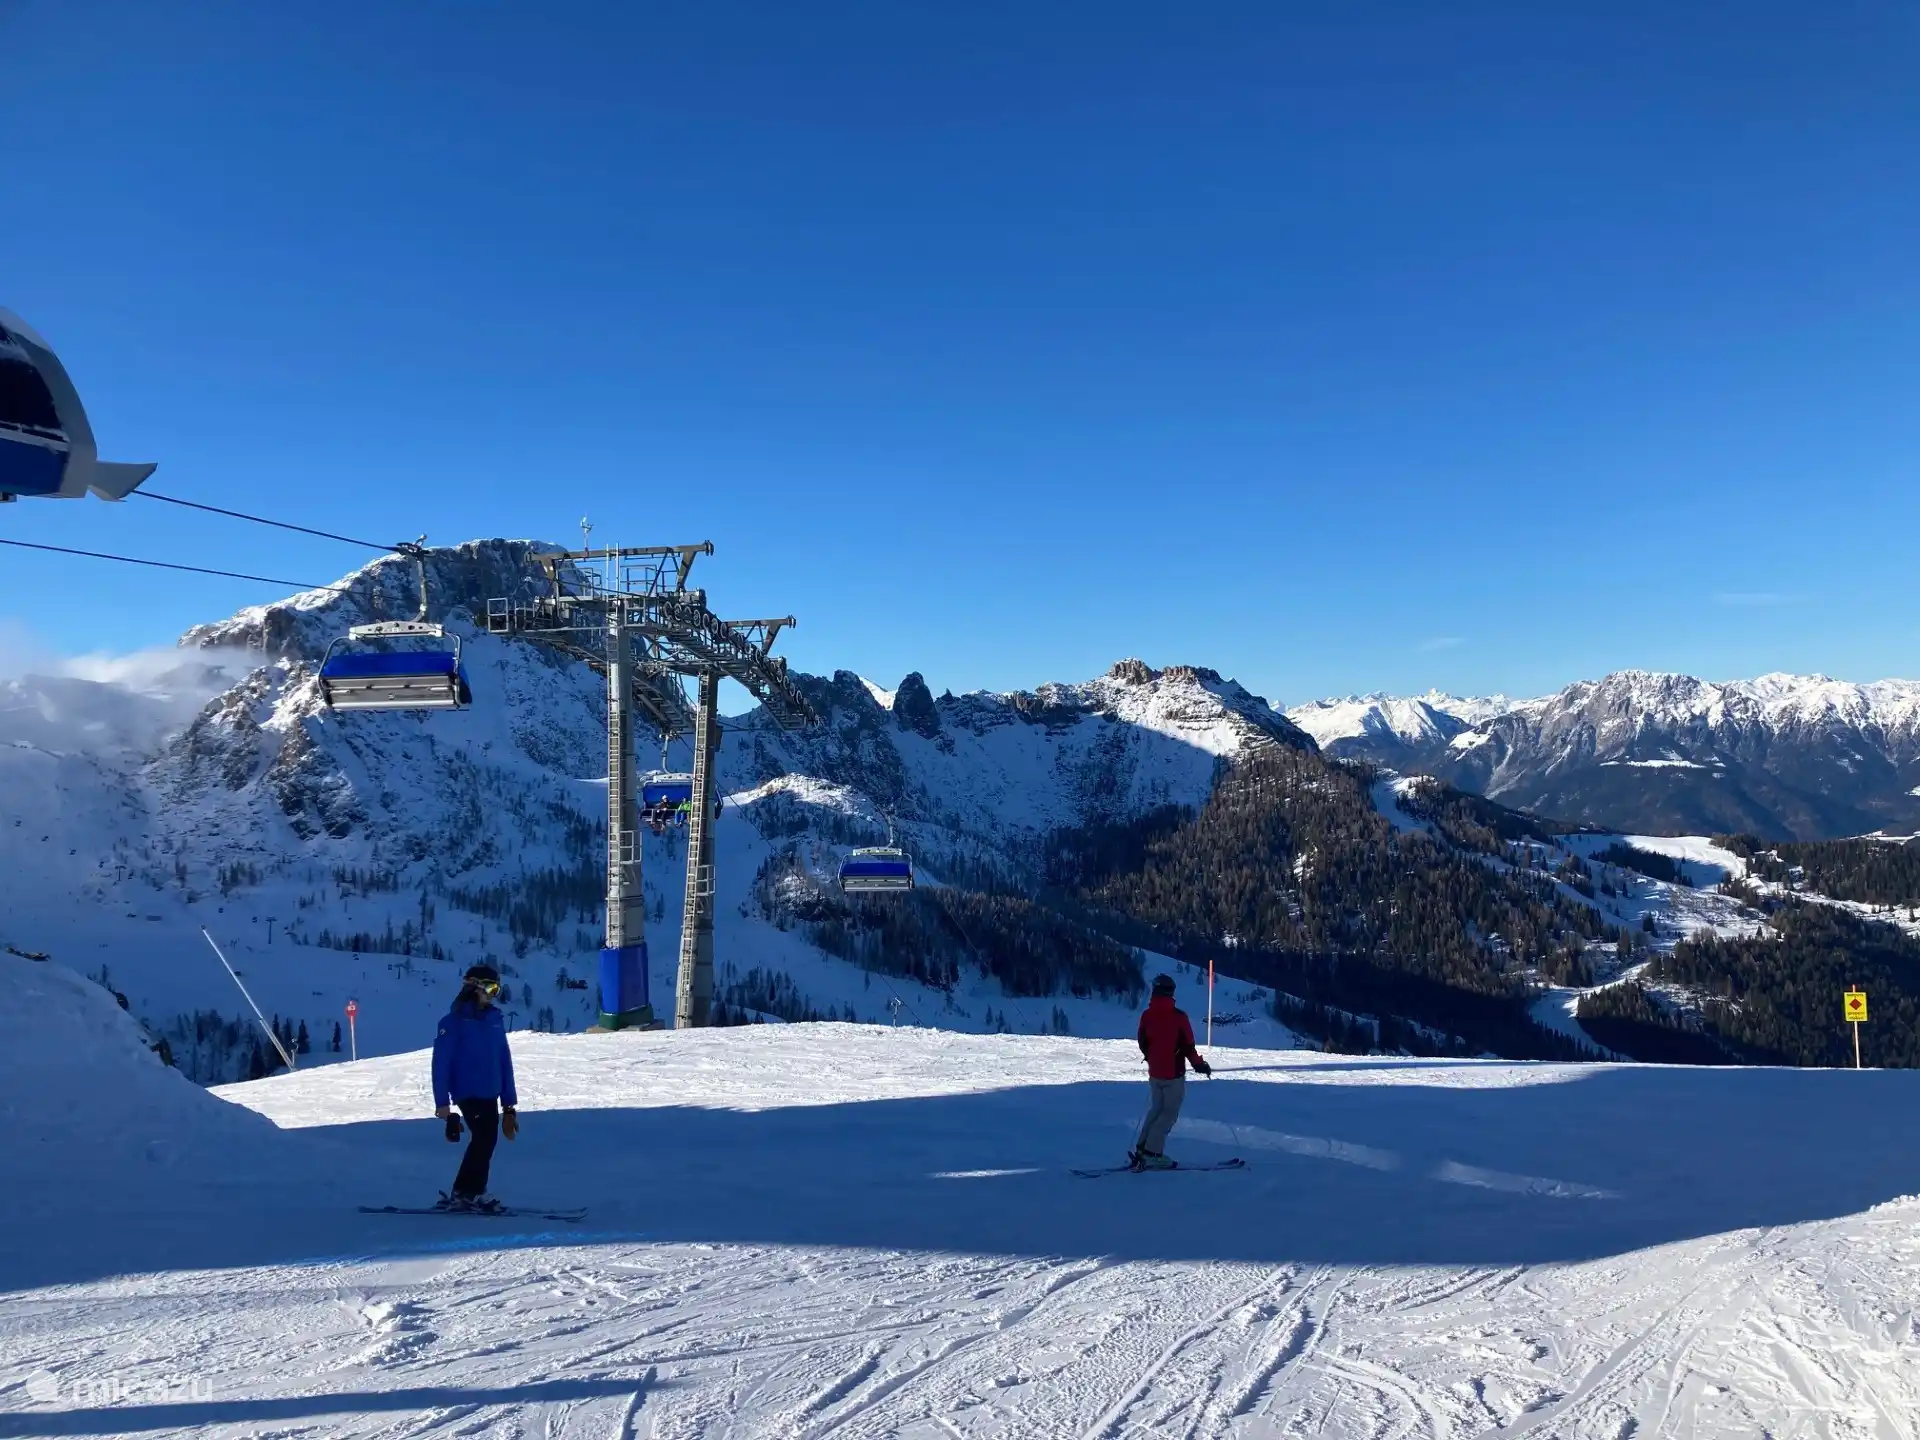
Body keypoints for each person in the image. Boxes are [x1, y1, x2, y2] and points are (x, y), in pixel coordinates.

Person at [431, 963, 519, 1212]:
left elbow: (504, 1061)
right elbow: (441, 1063)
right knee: (484, 1138)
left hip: (490, 1091)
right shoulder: (453, 1023)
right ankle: (469, 1192)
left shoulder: (494, 1021)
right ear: (473, 987)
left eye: (496, 990)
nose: (493, 995)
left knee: (486, 1140)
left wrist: (509, 1105)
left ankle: (466, 1192)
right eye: (490, 988)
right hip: (466, 1091)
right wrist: (442, 1104)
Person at [1131, 972, 1211, 1170]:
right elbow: (1188, 1046)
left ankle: (1142, 1148)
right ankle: (1153, 1153)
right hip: (1173, 1074)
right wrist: (1199, 1065)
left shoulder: (1147, 1015)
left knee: (1156, 1109)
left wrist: (1153, 1056)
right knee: (1168, 1113)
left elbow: (1142, 1041)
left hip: (1155, 1072)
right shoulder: (1179, 1017)